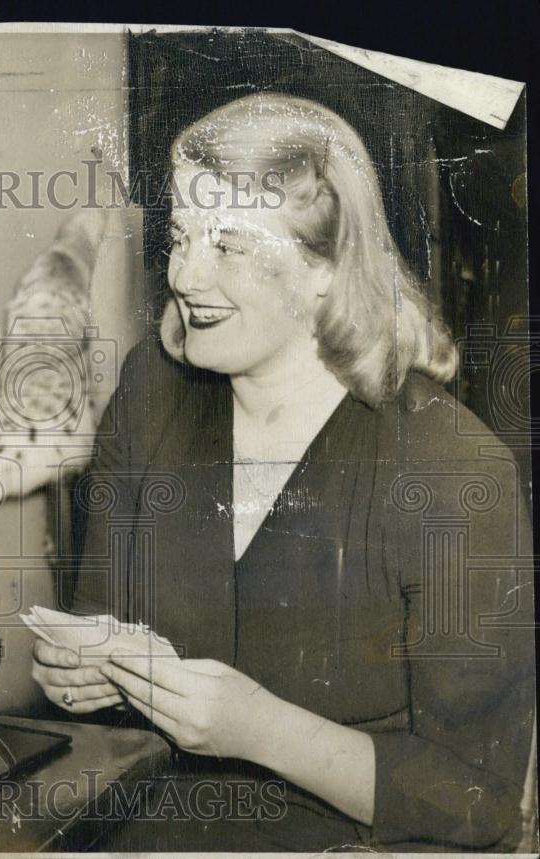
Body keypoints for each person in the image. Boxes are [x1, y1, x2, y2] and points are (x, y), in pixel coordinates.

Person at [32, 93, 535, 850]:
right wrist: (85, 675)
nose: (186, 275)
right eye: (181, 235)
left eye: (228, 244)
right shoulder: (150, 392)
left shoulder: (452, 468)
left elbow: (481, 801)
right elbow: (100, 626)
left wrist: (262, 729)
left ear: (326, 271)